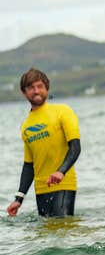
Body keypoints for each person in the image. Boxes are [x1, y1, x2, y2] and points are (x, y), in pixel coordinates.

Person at [7, 68, 82, 218]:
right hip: (40, 188)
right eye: (31, 87)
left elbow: (75, 147)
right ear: (24, 92)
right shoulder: (26, 125)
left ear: (46, 88)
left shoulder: (62, 111)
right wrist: (18, 198)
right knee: (46, 235)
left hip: (63, 183)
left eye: (40, 86)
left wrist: (61, 171)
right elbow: (29, 165)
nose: (36, 91)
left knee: (62, 230)